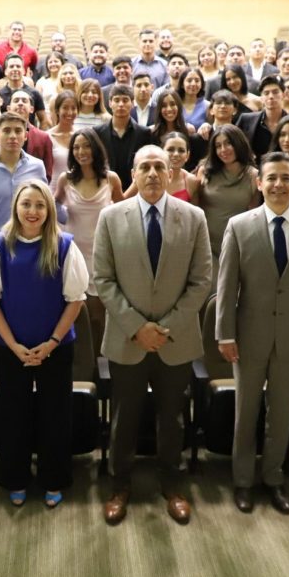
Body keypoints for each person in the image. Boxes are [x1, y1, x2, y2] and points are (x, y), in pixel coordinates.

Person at [93, 145, 213, 525]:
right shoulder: (111, 217)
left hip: (175, 339)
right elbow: (103, 279)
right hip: (127, 338)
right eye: (144, 167)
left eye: (159, 166)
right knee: (124, 417)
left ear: (170, 172)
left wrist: (165, 328)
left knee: (172, 418)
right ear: (133, 174)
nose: (152, 173)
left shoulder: (193, 217)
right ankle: (119, 486)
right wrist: (137, 327)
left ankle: (172, 485)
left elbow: (202, 280)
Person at [217, 151, 289, 515]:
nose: (278, 184)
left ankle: (274, 477)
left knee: (281, 413)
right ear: (259, 182)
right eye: (271, 178)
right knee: (246, 411)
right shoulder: (239, 226)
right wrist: (224, 334)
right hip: (248, 335)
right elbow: (226, 285)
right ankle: (242, 480)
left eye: (286, 178)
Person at [0, 179, 87, 508]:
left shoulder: (64, 245)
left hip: (55, 347)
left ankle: (53, 479)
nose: (33, 211)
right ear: (16, 207)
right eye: (26, 204)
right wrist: (13, 345)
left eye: (40, 205)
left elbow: (75, 300)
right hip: (11, 348)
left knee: (55, 415)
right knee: (13, 415)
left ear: (49, 210)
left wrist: (52, 342)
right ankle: (16, 478)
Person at [53, 127, 125, 348]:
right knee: (76, 308)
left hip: (103, 252)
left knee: (100, 312)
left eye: (86, 146)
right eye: (76, 147)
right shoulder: (65, 179)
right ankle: (82, 358)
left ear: (95, 148)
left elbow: (123, 211)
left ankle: (102, 358)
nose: (81, 151)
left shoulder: (111, 179)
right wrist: (60, 226)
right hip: (74, 252)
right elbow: (53, 205)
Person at [196, 123, 261, 271]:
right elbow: (195, 206)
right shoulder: (205, 171)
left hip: (237, 245)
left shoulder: (253, 175)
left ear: (238, 143)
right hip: (206, 246)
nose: (223, 150)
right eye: (218, 146)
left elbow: (253, 216)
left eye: (228, 143)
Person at [95, 84, 152, 189]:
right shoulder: (97, 133)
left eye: (125, 100)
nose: (121, 104)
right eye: (116, 100)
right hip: (105, 189)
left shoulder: (144, 133)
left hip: (136, 189)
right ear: (110, 103)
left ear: (132, 103)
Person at [0, 90, 55, 180]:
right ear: (8, 108)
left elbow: (47, 174)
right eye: (16, 101)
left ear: (32, 109)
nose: (20, 103)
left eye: (24, 101)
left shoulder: (44, 138)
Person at [237, 75, 289, 155]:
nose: (271, 96)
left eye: (275, 92)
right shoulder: (246, 120)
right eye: (266, 93)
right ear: (261, 97)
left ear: (283, 95)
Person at [48, 91, 78, 184]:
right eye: (65, 108)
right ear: (57, 110)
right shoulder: (47, 137)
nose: (70, 112)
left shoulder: (81, 135)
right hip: (53, 187)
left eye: (73, 108)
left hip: (77, 188)